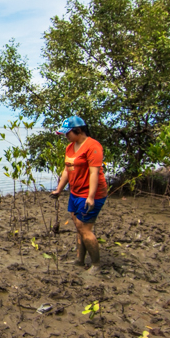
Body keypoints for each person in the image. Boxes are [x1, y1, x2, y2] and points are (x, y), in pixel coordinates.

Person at [50, 116, 109, 274]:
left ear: (79, 130)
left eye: (68, 133)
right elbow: (67, 170)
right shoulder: (70, 147)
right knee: (79, 226)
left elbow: (94, 173)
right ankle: (79, 260)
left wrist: (90, 197)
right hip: (75, 193)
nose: (66, 136)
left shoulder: (93, 146)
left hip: (92, 194)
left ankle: (96, 264)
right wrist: (59, 189)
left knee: (85, 228)